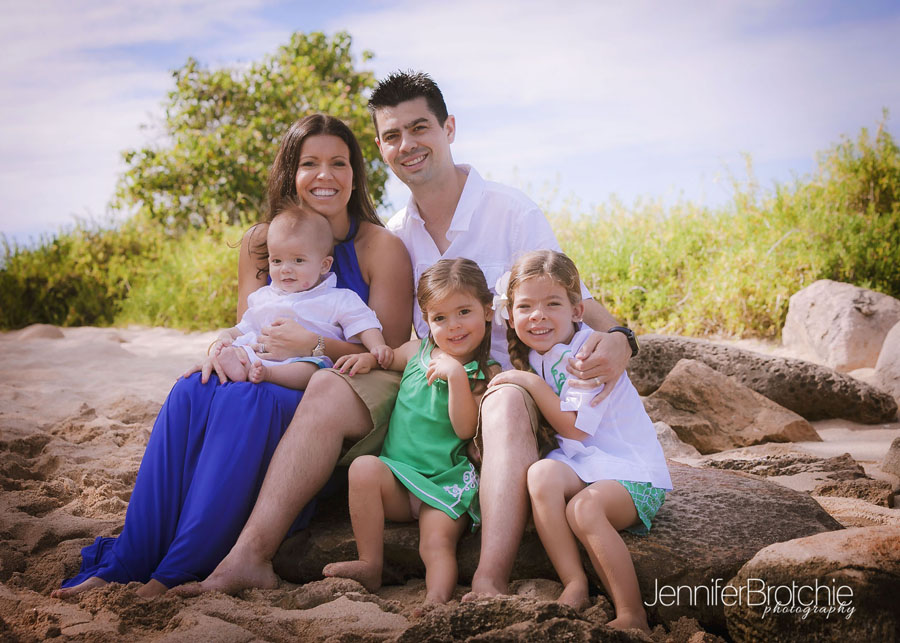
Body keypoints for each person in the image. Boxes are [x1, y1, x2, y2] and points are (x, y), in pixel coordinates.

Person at [185, 71, 632, 598]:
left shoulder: (511, 212)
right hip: (422, 380)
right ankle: (249, 556)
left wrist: (620, 336)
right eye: (393, 135)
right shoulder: (396, 234)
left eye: (420, 128)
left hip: (501, 382)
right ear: (381, 148)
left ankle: (489, 579)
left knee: (505, 400)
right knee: (329, 386)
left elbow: (572, 295)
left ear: (448, 128)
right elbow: (392, 341)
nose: (408, 145)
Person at [51, 114, 412, 599]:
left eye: (339, 163)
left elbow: (384, 358)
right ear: (291, 172)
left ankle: (182, 566)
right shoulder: (260, 242)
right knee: (190, 389)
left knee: (247, 401)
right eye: (310, 163)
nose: (324, 175)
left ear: (355, 173)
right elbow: (250, 325)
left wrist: (313, 344)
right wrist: (218, 350)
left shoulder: (380, 246)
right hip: (265, 367)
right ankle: (131, 558)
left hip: (331, 384)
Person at [491, 250, 671, 632]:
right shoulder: (537, 353)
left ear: (577, 310)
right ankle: (574, 582)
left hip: (631, 471)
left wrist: (528, 382)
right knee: (540, 476)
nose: (537, 315)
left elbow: (575, 429)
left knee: (583, 511)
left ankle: (631, 613)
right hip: (586, 464)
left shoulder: (587, 352)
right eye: (525, 306)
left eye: (552, 304)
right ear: (509, 314)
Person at [323, 258, 500, 603]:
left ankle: (435, 599)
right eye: (440, 318)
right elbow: (387, 357)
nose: (454, 326)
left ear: (488, 311)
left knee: (435, 545)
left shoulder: (486, 374)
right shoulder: (417, 352)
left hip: (444, 484)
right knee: (363, 468)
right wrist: (369, 359)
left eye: (464, 312)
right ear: (426, 321)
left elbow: (465, 429)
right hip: (399, 480)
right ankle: (370, 563)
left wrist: (456, 375)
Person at [215, 201, 392, 387]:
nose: (285, 269)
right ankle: (240, 366)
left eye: (298, 260)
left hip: (306, 360)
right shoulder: (264, 297)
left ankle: (268, 374)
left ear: (324, 265)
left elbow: (363, 323)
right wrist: (226, 336)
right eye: (277, 261)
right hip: (262, 356)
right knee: (242, 351)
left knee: (313, 369)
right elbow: (245, 326)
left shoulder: (339, 298)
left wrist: (377, 346)